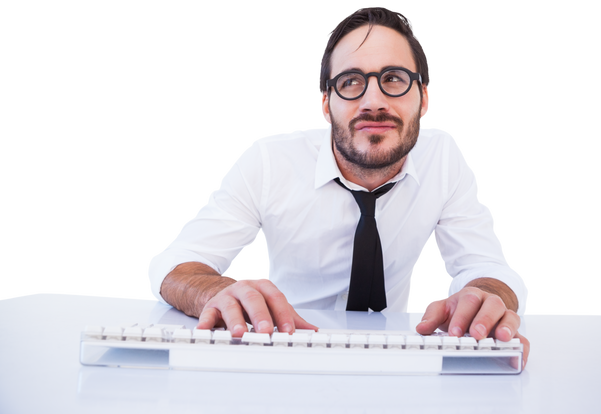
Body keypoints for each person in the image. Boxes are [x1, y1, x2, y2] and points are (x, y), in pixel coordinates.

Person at [146, 4, 530, 368]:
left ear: (425, 98)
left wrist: (487, 299)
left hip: (394, 360)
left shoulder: (443, 158)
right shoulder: (267, 160)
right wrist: (213, 291)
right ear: (325, 105)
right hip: (281, 351)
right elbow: (172, 264)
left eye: (394, 78)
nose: (373, 100)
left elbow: (486, 264)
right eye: (351, 82)